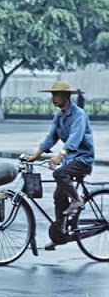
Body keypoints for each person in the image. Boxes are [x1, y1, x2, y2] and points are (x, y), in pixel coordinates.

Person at [23, 81, 94, 250]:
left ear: (66, 96)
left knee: (59, 174)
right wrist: (34, 156)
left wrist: (60, 155)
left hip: (83, 159)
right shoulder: (59, 117)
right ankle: (59, 235)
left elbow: (75, 138)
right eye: (52, 95)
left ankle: (77, 200)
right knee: (58, 197)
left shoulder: (79, 115)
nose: (53, 98)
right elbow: (50, 137)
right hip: (70, 160)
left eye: (57, 95)